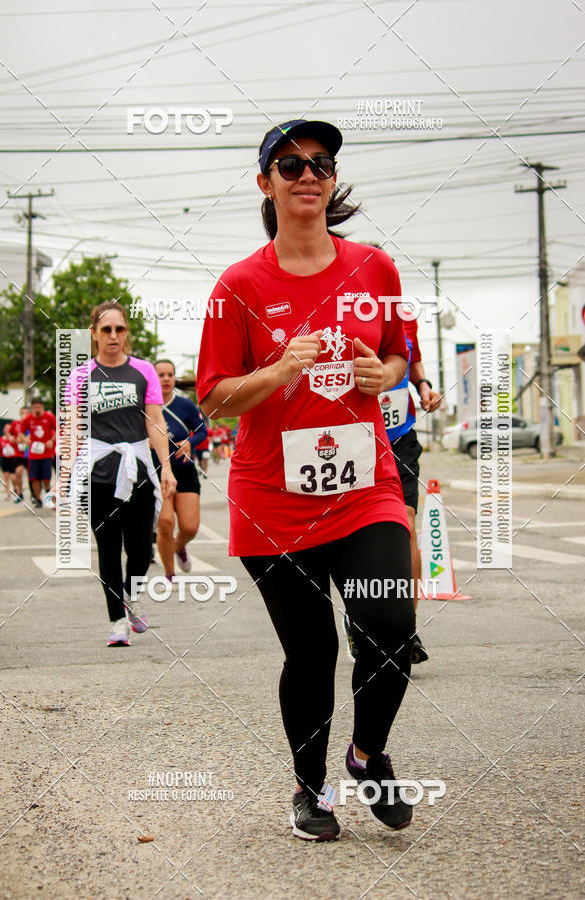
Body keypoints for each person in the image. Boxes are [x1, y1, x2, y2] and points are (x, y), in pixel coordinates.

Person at [197, 119, 416, 842]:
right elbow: (213, 396)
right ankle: (310, 789)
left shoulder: (375, 269)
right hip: (273, 503)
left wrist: (380, 373)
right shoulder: (239, 286)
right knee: (314, 652)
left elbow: (399, 360)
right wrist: (281, 371)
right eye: (289, 165)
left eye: (320, 163)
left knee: (388, 628)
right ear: (266, 183)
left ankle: (367, 753)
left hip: (365, 488)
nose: (308, 175)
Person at [65, 301, 176, 647]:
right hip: (98, 474)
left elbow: (155, 421)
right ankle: (117, 622)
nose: (113, 336)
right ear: (94, 334)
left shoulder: (143, 371)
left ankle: (133, 594)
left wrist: (166, 469)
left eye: (119, 329)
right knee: (109, 549)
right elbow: (72, 428)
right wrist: (64, 475)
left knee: (141, 548)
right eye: (106, 329)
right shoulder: (80, 376)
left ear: (126, 332)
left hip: (138, 469)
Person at [344, 294, 442, 665]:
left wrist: (424, 387)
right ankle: (359, 620)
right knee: (354, 538)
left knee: (407, 529)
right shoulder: (341, 314)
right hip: (353, 438)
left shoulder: (404, 316)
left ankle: (406, 630)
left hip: (399, 437)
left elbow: (412, 361)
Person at [153, 360, 207, 584]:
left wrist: (190, 442)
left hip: (184, 470)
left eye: (170, 375)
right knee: (165, 522)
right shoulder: (145, 405)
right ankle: (169, 574)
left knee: (189, 527)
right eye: (161, 375)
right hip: (158, 471)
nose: (166, 379)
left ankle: (179, 546)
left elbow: (203, 431)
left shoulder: (185, 405)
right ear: (152, 378)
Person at [19, 398, 56, 509]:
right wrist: (25, 439)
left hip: (46, 453)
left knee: (45, 478)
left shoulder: (49, 417)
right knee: (34, 478)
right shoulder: (28, 419)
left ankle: (47, 490)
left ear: (42, 407)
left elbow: (57, 430)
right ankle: (38, 498)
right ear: (32, 408)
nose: (37, 410)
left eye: (39, 407)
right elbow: (20, 433)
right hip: (33, 453)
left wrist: (51, 440)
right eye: (35, 408)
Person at [0, 423, 20, 500]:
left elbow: (15, 445)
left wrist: (10, 436)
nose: (7, 430)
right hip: (4, 460)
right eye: (6, 428)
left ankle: (15, 489)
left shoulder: (13, 438)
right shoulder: (0, 440)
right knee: (5, 477)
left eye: (9, 429)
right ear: (3, 430)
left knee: (13, 477)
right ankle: (7, 492)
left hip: (12, 459)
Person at [9, 406, 29, 503]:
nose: (24, 415)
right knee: (18, 472)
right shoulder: (15, 423)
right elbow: (10, 433)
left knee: (31, 475)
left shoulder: (31, 424)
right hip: (18, 453)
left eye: (26, 413)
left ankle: (34, 495)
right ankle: (20, 493)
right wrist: (11, 437)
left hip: (29, 453)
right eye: (22, 413)